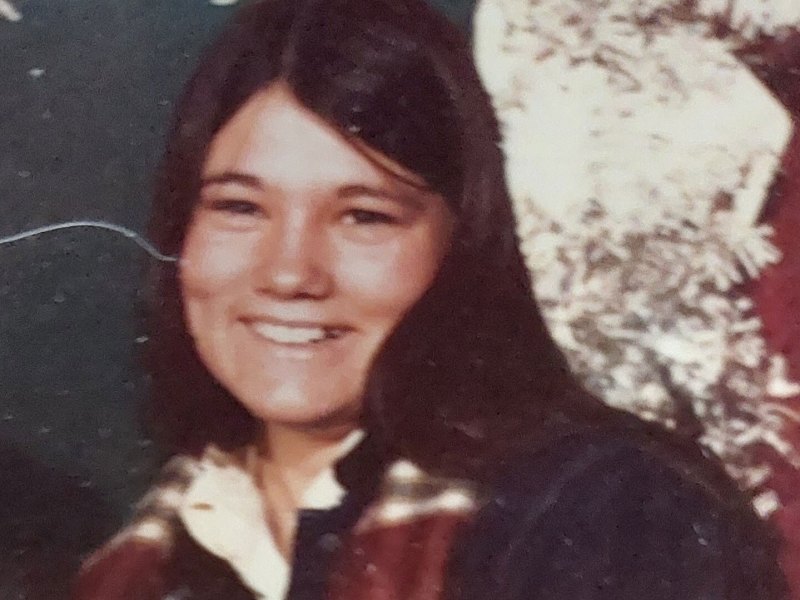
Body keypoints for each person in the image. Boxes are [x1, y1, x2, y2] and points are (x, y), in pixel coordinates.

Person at [72, 0, 787, 598]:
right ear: (178, 233)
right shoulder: (139, 560)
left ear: (461, 246)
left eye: (364, 216)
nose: (289, 273)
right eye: (239, 208)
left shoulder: (614, 514)